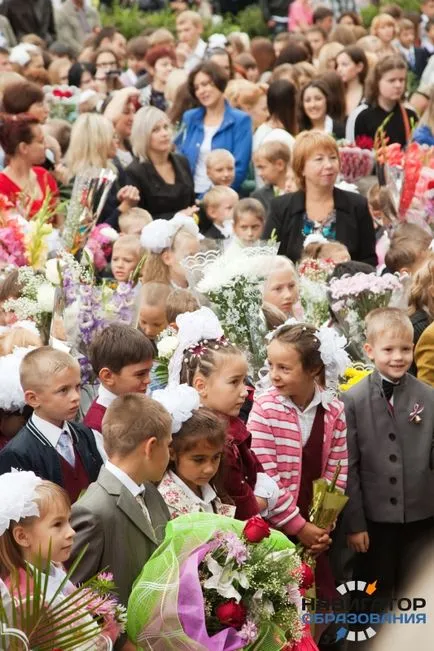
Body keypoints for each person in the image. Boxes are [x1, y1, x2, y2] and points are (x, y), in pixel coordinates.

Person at [342, 308, 434, 605]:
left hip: (422, 516)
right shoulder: (352, 399)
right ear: (369, 351)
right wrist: (356, 525)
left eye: (405, 349)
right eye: (389, 349)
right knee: (375, 592)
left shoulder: (428, 396)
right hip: (375, 519)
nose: (398, 357)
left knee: (417, 589)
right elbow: (350, 466)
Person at [249, 323, 348, 598]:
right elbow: (265, 474)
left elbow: (336, 471)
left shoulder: (333, 410)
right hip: (276, 528)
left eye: (284, 368)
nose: (274, 376)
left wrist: (323, 526)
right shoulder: (265, 408)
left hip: (315, 525)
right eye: (271, 366)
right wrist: (299, 526)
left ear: (313, 369)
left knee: (317, 604)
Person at [68, 393, 172, 622]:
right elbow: (73, 600)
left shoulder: (152, 493)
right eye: (169, 445)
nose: (170, 454)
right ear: (151, 447)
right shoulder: (93, 511)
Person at [171, 306, 279, 520]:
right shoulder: (214, 440)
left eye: (244, 381)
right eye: (234, 382)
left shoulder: (231, 426)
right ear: (201, 385)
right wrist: (264, 500)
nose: (245, 390)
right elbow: (241, 506)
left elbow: (255, 472)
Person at [0, 347, 103, 503]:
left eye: (77, 387)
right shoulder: (17, 453)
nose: (75, 397)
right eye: (63, 390)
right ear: (33, 399)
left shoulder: (86, 434)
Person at [265, 131, 377, 265]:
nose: (329, 165)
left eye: (333, 158)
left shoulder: (357, 205)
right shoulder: (281, 207)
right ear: (301, 168)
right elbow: (268, 259)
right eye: (319, 159)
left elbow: (368, 260)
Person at [155, 385, 236, 518]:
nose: (209, 469)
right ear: (173, 453)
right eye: (199, 460)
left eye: (216, 457)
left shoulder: (211, 489)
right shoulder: (165, 503)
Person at [175, 61, 252, 194]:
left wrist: (213, 198)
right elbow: (179, 158)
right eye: (197, 88)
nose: (201, 91)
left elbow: (239, 168)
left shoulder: (241, 120)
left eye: (205, 84)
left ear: (219, 82)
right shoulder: (190, 118)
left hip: (225, 198)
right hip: (190, 196)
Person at [66, 113, 140, 230]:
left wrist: (123, 196)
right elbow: (92, 234)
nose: (117, 141)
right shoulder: (83, 182)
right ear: (99, 142)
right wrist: (125, 206)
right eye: (113, 136)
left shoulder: (113, 169)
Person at [127, 106, 196, 221]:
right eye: (156, 130)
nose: (164, 133)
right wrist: (178, 217)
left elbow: (192, 204)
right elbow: (138, 219)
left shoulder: (182, 161)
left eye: (166, 127)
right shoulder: (134, 171)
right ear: (143, 136)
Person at [84, 325, 154, 435]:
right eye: (140, 374)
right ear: (108, 376)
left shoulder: (136, 400)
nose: (148, 380)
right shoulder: (97, 426)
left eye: (149, 371)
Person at [347, 55, 418, 148]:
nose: (398, 85)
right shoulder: (360, 116)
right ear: (376, 82)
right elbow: (351, 153)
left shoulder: (410, 113)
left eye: (401, 80)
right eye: (391, 80)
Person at [0, 114, 58, 219]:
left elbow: (60, 221)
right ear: (23, 148)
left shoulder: (44, 175)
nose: (46, 146)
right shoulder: (2, 186)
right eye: (40, 141)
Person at [140, 214, 200, 287]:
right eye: (189, 256)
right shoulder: (158, 293)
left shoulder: (200, 286)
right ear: (167, 258)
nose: (196, 262)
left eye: (198, 256)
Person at [103, 88, 139, 170]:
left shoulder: (136, 148)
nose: (132, 118)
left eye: (134, 112)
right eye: (126, 112)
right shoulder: (102, 149)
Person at [252, 140, 290, 215]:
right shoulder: (258, 197)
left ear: (280, 165)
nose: (259, 173)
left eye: (262, 167)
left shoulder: (300, 192)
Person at [336, 46, 368, 117]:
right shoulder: (336, 92)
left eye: (344, 64)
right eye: (337, 65)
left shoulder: (369, 93)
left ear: (359, 67)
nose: (339, 69)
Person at [140, 46, 176, 112]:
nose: (170, 68)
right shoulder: (142, 96)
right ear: (151, 69)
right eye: (164, 65)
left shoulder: (179, 95)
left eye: (172, 65)